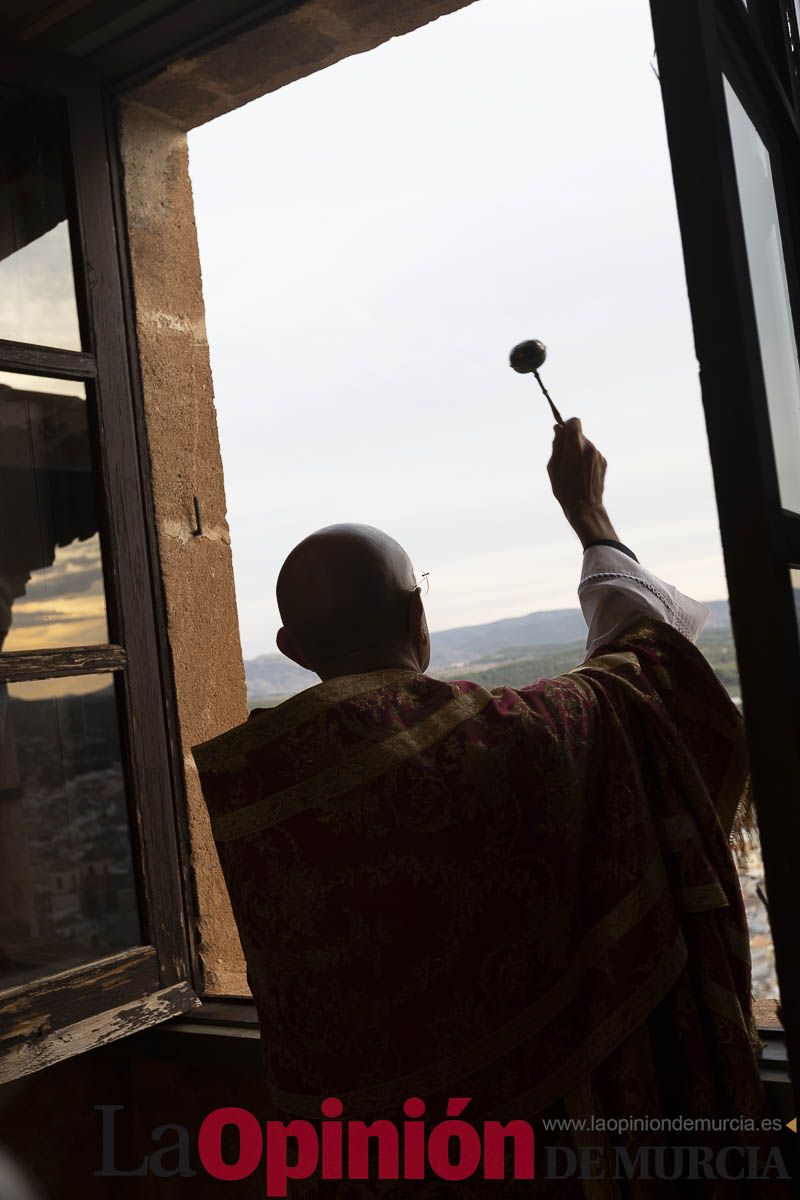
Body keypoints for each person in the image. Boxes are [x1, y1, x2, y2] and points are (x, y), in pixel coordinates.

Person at [193, 419, 788, 1194]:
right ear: (418, 617)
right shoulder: (511, 740)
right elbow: (645, 673)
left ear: (293, 650)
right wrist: (591, 520)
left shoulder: (267, 794)